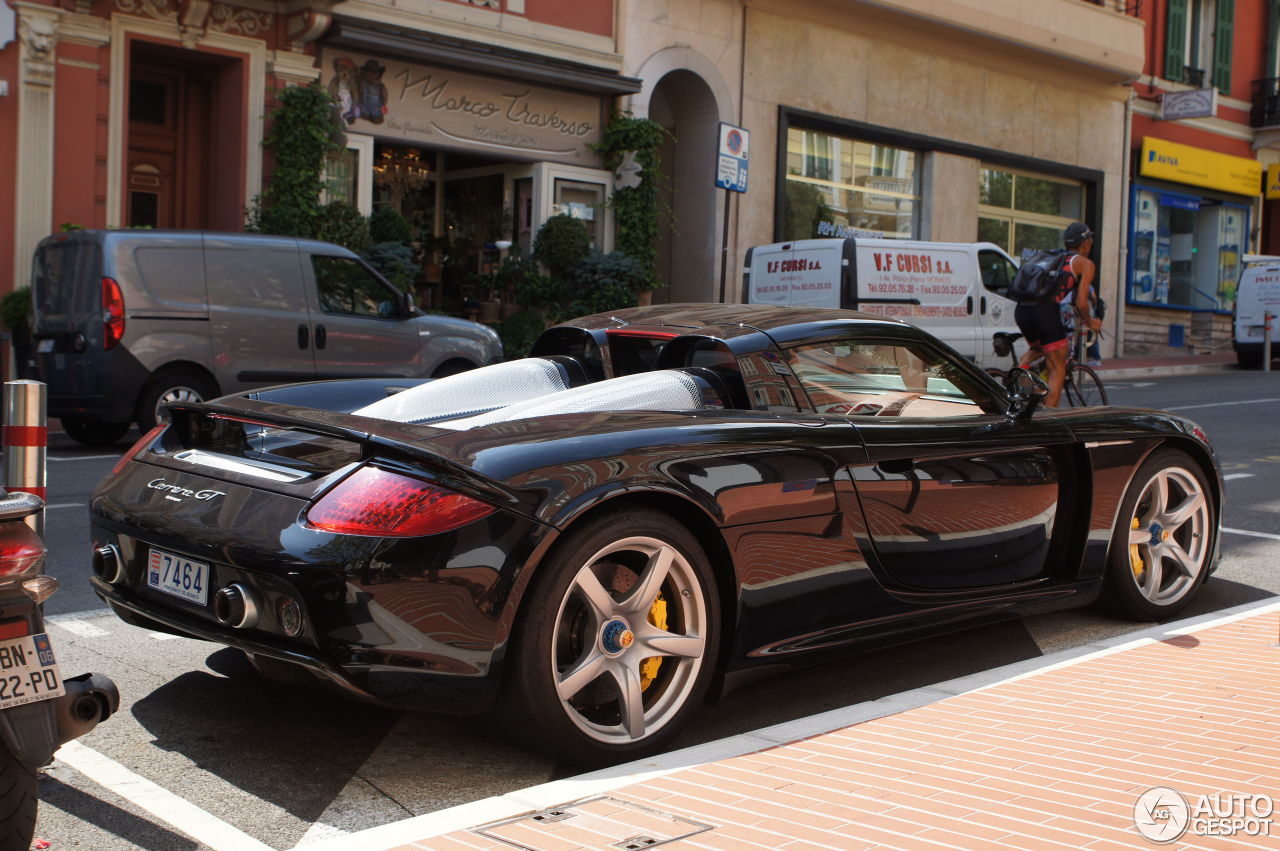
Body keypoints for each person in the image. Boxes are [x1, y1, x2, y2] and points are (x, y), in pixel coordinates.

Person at [1014, 222, 1103, 407]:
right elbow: (1081, 302)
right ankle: (1050, 420)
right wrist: (1090, 322)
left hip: (1022, 309)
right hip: (1044, 311)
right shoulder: (1085, 264)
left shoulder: (1051, 256)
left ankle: (1012, 388)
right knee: (1058, 366)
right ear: (1085, 243)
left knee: (1037, 350)